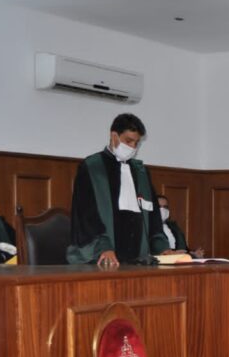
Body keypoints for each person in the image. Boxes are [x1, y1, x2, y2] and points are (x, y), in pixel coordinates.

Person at [67, 113, 173, 267]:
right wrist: (104, 248)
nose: (133, 147)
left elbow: (153, 218)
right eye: (128, 141)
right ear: (114, 136)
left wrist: (162, 248)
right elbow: (86, 216)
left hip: (137, 258)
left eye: (136, 143)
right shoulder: (92, 167)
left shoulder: (141, 172)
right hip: (103, 257)